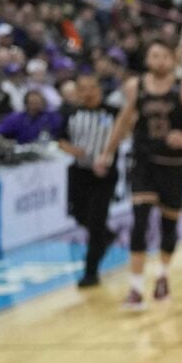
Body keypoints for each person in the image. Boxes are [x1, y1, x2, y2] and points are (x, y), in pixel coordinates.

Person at [109, 41, 182, 309]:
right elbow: (123, 121)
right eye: (155, 55)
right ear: (147, 59)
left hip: (173, 164)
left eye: (165, 55)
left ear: (172, 60)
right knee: (139, 221)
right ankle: (134, 288)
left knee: (169, 226)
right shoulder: (135, 87)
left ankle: (163, 276)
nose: (160, 60)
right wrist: (108, 152)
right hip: (143, 162)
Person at [60, 73, 121, 288]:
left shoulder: (113, 113)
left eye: (91, 87)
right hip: (79, 173)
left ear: (99, 89)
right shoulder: (70, 113)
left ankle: (90, 271)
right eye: (82, 88)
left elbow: (126, 129)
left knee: (96, 222)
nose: (87, 93)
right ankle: (107, 235)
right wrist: (72, 150)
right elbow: (61, 140)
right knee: (79, 216)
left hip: (103, 175)